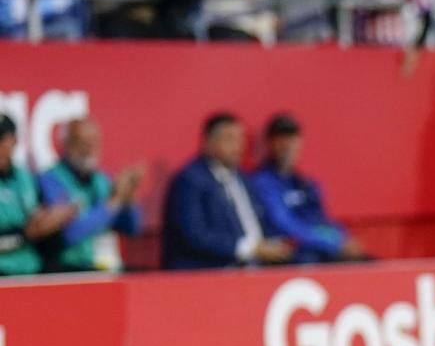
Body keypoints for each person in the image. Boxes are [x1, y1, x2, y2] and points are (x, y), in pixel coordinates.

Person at [161, 113, 298, 270]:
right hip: (208, 272)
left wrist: (275, 244)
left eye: (241, 139)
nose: (238, 146)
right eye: (229, 138)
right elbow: (195, 236)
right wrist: (250, 248)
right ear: (207, 143)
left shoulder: (242, 178)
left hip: (254, 267)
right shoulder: (190, 180)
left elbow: (259, 221)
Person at [247, 114, 368, 263]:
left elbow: (321, 221)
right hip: (292, 255)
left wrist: (342, 237)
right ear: (270, 144)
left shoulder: (306, 183)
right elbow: (284, 224)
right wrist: (333, 243)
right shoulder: (261, 182)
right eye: (281, 139)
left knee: (370, 263)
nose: (287, 145)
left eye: (292, 138)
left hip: (320, 249)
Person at [36, 118, 144, 274]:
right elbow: (70, 233)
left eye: (94, 142)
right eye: (82, 142)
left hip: (106, 268)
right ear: (65, 145)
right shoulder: (51, 180)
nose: (89, 148)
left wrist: (129, 197)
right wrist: (113, 202)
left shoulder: (102, 180)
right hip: (68, 270)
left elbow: (132, 228)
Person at [0, 114, 74, 278]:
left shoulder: (27, 179)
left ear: (13, 140)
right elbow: (31, 231)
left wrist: (54, 222)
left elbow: (41, 227)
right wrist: (25, 234)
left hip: (32, 274)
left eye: (1, 139)